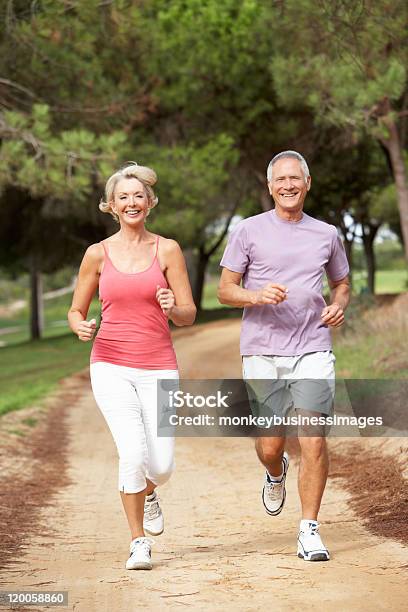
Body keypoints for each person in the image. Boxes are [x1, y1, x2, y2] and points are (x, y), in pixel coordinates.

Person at [218, 151, 350, 561]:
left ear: (307, 183)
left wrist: (338, 303)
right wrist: (255, 295)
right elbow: (225, 290)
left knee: (312, 438)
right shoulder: (247, 231)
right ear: (270, 186)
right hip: (262, 350)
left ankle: (309, 529)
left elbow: (342, 283)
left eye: (296, 178)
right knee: (271, 444)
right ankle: (275, 472)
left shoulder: (327, 234)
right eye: (281, 180)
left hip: (313, 346)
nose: (289, 185)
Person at [68, 162, 196, 570]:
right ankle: (138, 541)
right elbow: (75, 308)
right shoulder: (97, 254)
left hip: (159, 363)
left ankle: (149, 490)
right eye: (123, 196)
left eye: (138, 195)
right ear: (111, 205)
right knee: (132, 452)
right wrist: (80, 326)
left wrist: (173, 307)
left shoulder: (168, 249)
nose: (131, 202)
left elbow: (189, 314)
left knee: (162, 465)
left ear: (150, 202)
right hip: (110, 363)